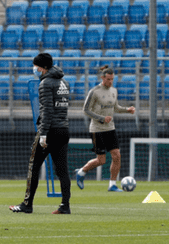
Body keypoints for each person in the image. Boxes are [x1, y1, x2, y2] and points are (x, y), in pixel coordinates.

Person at [10, 53, 72, 214]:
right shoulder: (64, 82)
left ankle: (27, 204)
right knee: (62, 170)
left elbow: (47, 111)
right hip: (63, 129)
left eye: (36, 66)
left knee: (34, 166)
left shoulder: (45, 84)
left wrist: (43, 133)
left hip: (49, 131)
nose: (34, 69)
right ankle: (65, 205)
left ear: (42, 67)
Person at [75, 65, 136, 192]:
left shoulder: (114, 90)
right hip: (97, 130)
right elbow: (86, 110)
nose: (110, 82)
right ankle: (82, 171)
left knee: (116, 155)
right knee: (101, 160)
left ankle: (112, 185)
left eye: (112, 79)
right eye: (108, 79)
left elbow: (116, 107)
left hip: (110, 128)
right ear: (102, 77)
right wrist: (101, 118)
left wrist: (127, 110)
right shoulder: (94, 91)